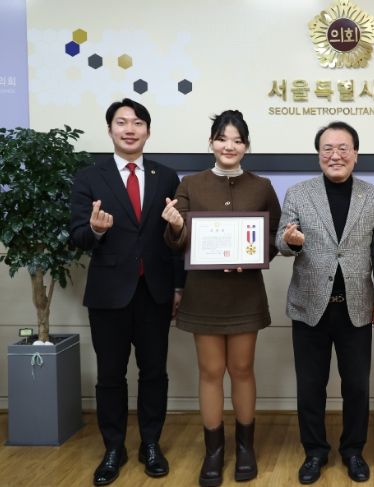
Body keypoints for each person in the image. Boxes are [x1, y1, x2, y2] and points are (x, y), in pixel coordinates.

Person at [162, 110, 281, 486]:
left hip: (244, 293)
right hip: (204, 293)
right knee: (211, 372)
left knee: (242, 369)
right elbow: (177, 240)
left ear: (246, 146)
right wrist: (176, 225)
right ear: (211, 142)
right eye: (222, 138)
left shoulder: (261, 186)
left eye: (237, 140)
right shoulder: (190, 184)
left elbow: (274, 235)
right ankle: (214, 450)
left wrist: (254, 255)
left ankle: (246, 447)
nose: (229, 146)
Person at [69, 98, 184, 486]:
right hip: (109, 294)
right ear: (110, 130)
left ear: (148, 131)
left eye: (137, 123)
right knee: (110, 376)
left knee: (154, 372)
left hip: (155, 292)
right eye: (121, 122)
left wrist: (179, 286)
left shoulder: (166, 176)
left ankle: (151, 444)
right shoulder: (89, 177)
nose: (129, 129)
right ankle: (113, 448)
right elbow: (77, 236)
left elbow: (175, 238)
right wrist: (96, 230)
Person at [276, 121, 374, 484]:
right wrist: (291, 242)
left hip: (356, 306)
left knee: (357, 386)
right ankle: (314, 452)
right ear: (318, 154)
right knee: (311, 386)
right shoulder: (298, 193)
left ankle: (353, 451)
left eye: (343, 148)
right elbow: (281, 242)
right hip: (309, 306)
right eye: (327, 148)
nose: (335, 155)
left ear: (356, 154)